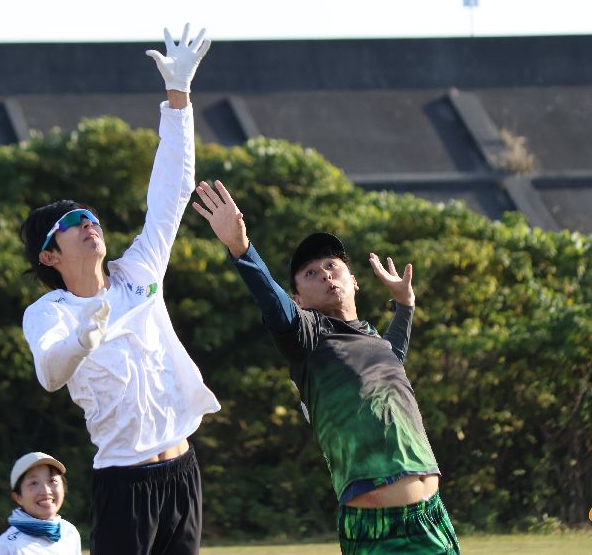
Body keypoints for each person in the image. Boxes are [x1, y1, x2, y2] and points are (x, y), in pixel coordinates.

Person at [18, 24, 219, 555]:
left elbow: (172, 189)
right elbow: (50, 373)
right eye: (72, 222)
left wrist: (178, 97)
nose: (89, 223)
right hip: (124, 481)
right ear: (48, 256)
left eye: (91, 216)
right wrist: (82, 337)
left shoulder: (139, 271)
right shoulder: (50, 311)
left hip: (182, 469)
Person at [193, 180, 461, 554]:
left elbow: (392, 357)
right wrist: (241, 249)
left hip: (431, 517)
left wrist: (405, 304)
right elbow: (272, 301)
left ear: (354, 281)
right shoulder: (308, 336)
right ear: (299, 299)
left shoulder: (375, 343)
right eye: (311, 274)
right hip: (379, 528)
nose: (325, 274)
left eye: (332, 266)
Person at [0, 452, 81, 554]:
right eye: (34, 483)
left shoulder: (70, 532)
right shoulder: (6, 547)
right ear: (18, 497)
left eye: (52, 480)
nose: (46, 491)